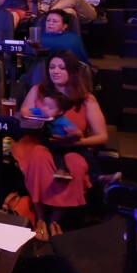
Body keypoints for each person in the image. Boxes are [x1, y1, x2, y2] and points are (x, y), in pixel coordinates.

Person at [14, 51, 108, 240]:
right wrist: (34, 119)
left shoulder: (86, 99)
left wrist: (77, 141)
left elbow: (102, 136)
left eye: (61, 67)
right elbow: (21, 118)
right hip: (40, 142)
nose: (55, 71)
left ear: (72, 71)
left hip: (73, 147)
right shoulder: (38, 90)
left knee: (75, 164)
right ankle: (40, 219)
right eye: (52, 67)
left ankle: (56, 219)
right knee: (38, 158)